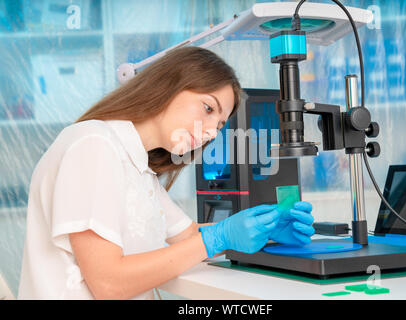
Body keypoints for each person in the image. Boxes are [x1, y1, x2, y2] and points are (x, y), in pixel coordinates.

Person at [18, 47, 314, 300]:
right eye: (208, 108)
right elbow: (107, 282)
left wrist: (266, 231)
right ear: (169, 84)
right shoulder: (94, 145)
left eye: (220, 125)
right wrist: (220, 238)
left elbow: (187, 236)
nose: (211, 131)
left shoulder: (138, 167)